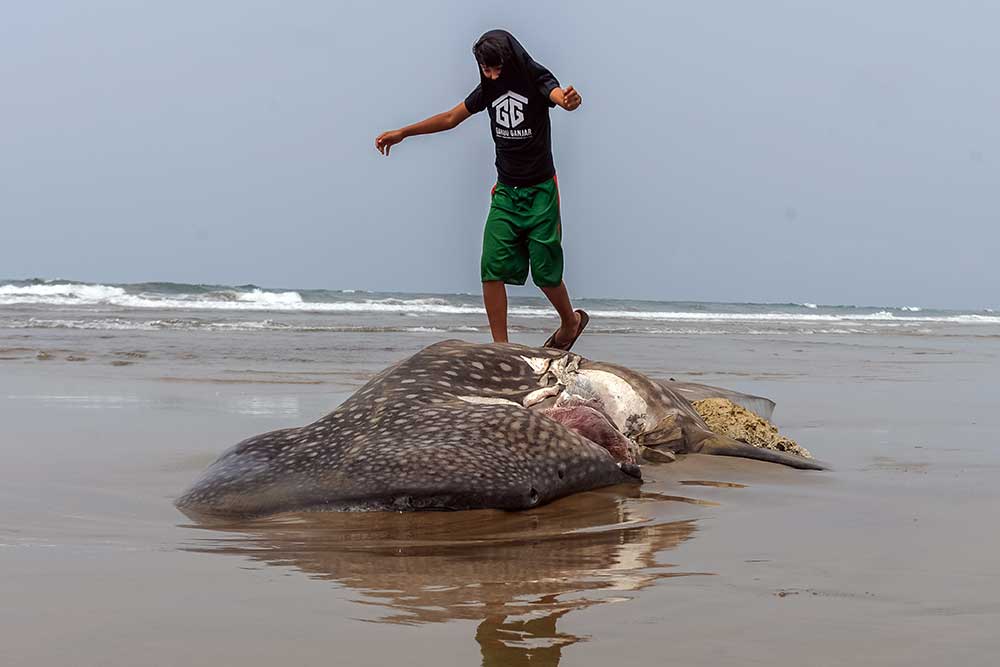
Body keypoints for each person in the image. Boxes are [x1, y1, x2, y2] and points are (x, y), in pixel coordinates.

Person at [375, 29, 589, 350]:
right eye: (485, 69)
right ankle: (500, 348)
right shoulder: (488, 88)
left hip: (540, 192)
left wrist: (569, 100)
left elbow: (557, 95)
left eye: (496, 68)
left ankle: (570, 322)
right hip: (505, 193)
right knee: (491, 267)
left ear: (509, 59)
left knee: (546, 273)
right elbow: (450, 117)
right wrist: (404, 132)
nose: (491, 74)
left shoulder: (534, 76)